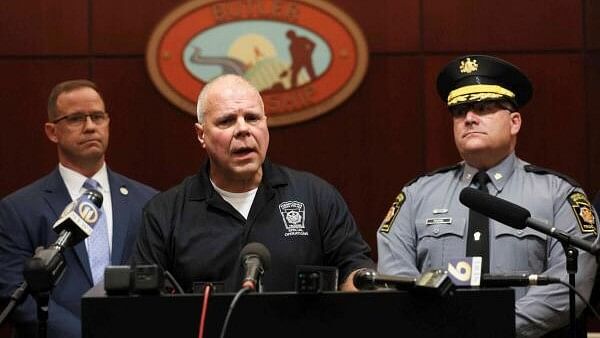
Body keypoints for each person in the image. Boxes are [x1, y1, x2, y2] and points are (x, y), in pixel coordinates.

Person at [376, 55, 598, 337]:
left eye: (483, 108)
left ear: (514, 122)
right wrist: (441, 326)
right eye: (459, 111)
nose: (469, 118)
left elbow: (570, 286)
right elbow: (395, 275)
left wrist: (493, 327)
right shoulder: (417, 194)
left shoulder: (559, 194)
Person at [132, 74, 374, 292]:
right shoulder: (165, 213)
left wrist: (357, 289)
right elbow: (144, 302)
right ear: (201, 134)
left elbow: (356, 268)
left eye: (252, 118)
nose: (243, 130)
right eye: (226, 121)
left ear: (265, 124)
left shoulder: (316, 197)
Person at [0, 79, 158, 338]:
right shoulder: (18, 209)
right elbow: (16, 294)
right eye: (75, 119)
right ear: (52, 131)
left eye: (97, 117)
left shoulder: (149, 202)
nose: (90, 127)